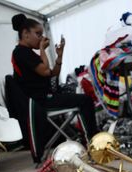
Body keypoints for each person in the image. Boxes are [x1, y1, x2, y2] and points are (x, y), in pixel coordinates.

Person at [10, 13, 98, 163]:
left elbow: (52, 74)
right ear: (25, 34)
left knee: (85, 100)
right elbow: (45, 70)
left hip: (46, 97)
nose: (41, 38)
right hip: (41, 101)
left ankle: (91, 141)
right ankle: (92, 144)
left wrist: (59, 56)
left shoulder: (28, 53)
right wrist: (43, 51)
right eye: (38, 34)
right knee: (84, 101)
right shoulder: (21, 52)